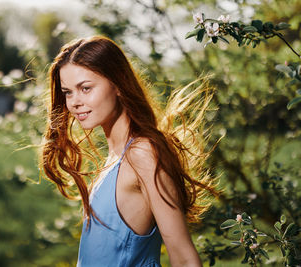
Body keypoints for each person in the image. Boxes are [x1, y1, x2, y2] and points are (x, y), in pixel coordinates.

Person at [41, 35, 217, 267]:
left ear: (118, 84)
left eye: (85, 88)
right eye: (68, 92)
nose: (74, 102)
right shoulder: (115, 158)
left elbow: (185, 259)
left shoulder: (142, 154)